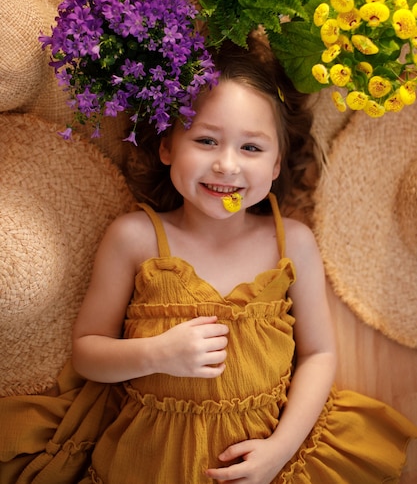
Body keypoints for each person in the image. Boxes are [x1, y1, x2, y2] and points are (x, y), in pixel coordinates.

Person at [0, 34, 415, 484]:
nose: (227, 166)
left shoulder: (291, 243)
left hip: (265, 460)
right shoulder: (136, 238)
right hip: (149, 461)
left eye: (251, 148)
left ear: (276, 164)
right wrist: (155, 353)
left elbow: (319, 354)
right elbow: (87, 353)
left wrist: (280, 449)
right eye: (206, 141)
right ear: (166, 148)